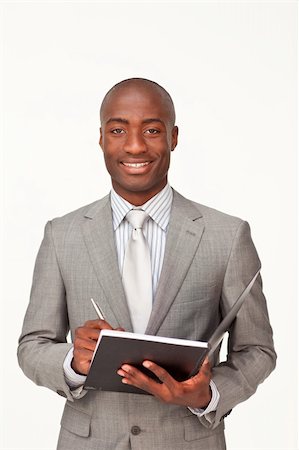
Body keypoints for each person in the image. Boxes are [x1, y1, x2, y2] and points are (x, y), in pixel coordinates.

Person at [18, 78, 276, 450]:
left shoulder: (227, 235)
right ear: (102, 138)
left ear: (173, 137)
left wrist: (208, 395)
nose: (135, 145)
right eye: (118, 129)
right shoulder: (62, 235)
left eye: (152, 130)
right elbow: (32, 345)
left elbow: (257, 350)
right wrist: (73, 362)